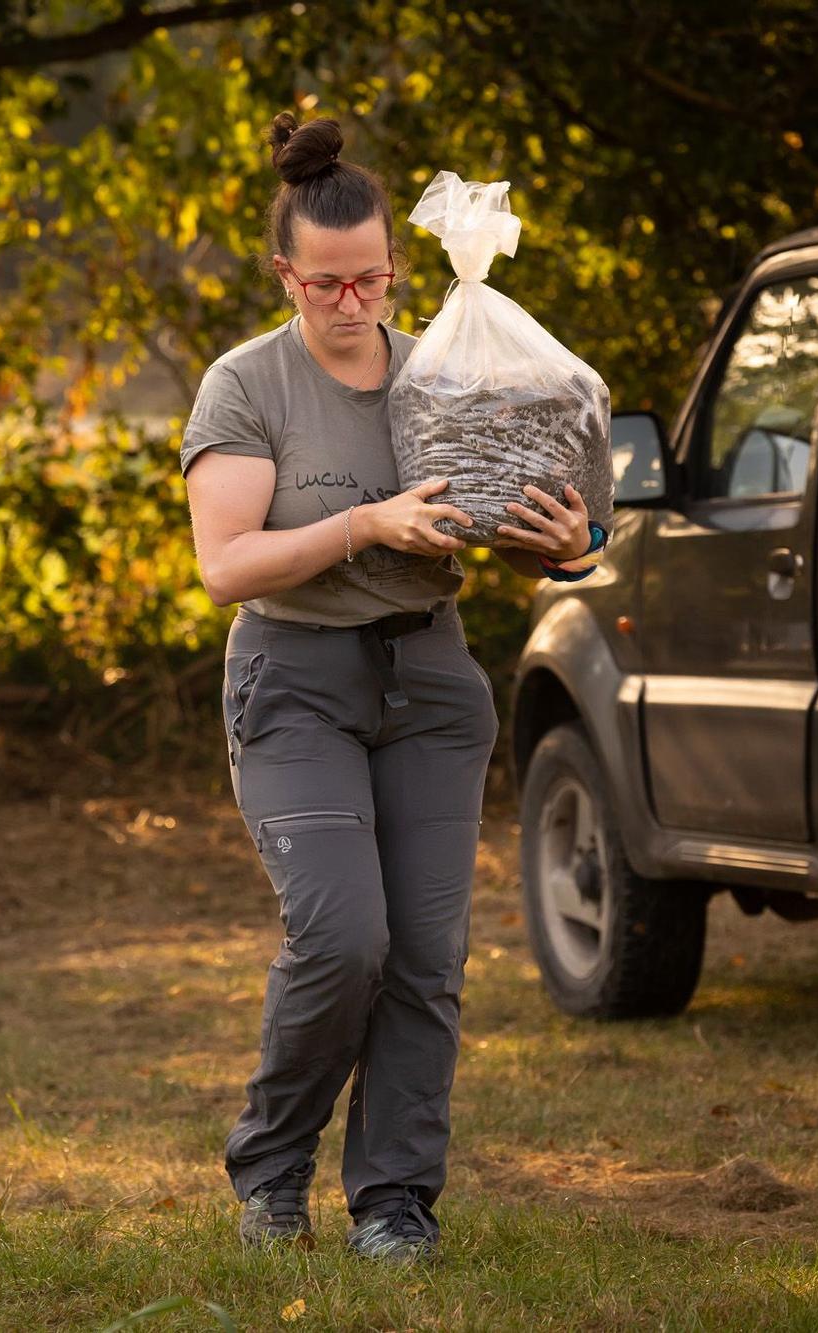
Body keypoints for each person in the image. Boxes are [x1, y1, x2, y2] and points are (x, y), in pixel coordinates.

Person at [181, 114, 604, 1259]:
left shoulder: (450, 373)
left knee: (425, 959)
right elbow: (226, 566)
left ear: (393, 267)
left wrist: (563, 541)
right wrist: (365, 520)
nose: (351, 302)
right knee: (341, 937)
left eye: (370, 277)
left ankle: (392, 1203)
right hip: (294, 682)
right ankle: (271, 1172)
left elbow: (529, 535)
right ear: (285, 275)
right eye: (325, 284)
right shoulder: (246, 386)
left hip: (428, 678)